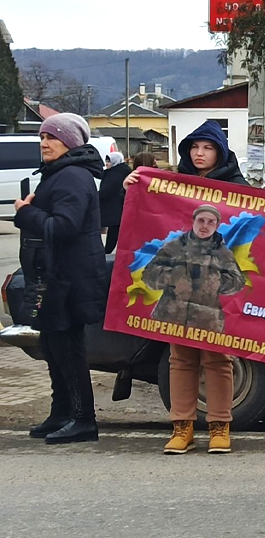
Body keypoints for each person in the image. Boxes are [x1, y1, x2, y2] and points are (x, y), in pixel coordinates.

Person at [124, 120, 247, 454]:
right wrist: (132, 185)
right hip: (175, 308)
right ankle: (182, 426)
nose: (199, 153)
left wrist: (214, 280)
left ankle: (220, 426)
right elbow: (150, 267)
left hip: (211, 311)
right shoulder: (174, 188)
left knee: (218, 360)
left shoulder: (238, 187)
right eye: (194, 147)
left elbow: (238, 277)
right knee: (179, 360)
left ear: (220, 152)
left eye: (207, 148)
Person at [14, 113, 107, 444]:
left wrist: (25, 214)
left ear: (70, 142)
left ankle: (83, 419)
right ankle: (61, 412)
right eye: (42, 137)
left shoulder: (72, 176)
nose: (44, 143)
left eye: (51, 137)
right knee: (53, 347)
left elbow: (63, 227)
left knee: (68, 350)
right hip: (55, 277)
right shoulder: (59, 174)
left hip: (71, 279)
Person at [142, 205, 246, 334]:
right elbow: (149, 275)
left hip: (207, 324)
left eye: (211, 222)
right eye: (201, 220)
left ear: (217, 225)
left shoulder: (223, 253)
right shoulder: (174, 246)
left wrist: (214, 280)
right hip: (168, 319)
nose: (205, 226)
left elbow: (238, 281)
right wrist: (173, 276)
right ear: (193, 221)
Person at [99, 151, 130, 254]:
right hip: (118, 206)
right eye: (106, 161)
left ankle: (107, 251)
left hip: (115, 207)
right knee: (115, 230)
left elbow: (106, 191)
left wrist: (95, 195)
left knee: (114, 229)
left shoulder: (114, 174)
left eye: (109, 161)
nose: (107, 163)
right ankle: (108, 251)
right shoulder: (121, 171)